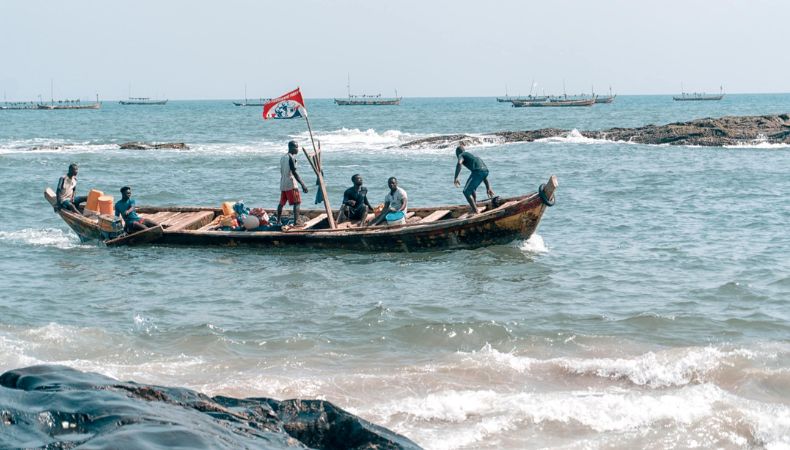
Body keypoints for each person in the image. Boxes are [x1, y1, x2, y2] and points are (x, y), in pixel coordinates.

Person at [453, 145, 494, 214]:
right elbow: (483, 172)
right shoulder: (475, 157)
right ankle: (474, 206)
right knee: (471, 189)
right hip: (485, 171)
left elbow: (459, 163)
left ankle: (475, 211)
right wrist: (488, 187)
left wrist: (456, 177)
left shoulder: (461, 155)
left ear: (457, 153)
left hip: (477, 172)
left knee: (466, 192)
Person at [276, 140, 309, 225]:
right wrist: (303, 184)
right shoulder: (291, 158)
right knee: (297, 202)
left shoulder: (283, 157)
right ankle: (296, 222)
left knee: (281, 203)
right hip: (291, 183)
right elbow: (294, 172)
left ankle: (278, 221)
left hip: (283, 183)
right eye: (296, 147)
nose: (297, 149)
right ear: (291, 148)